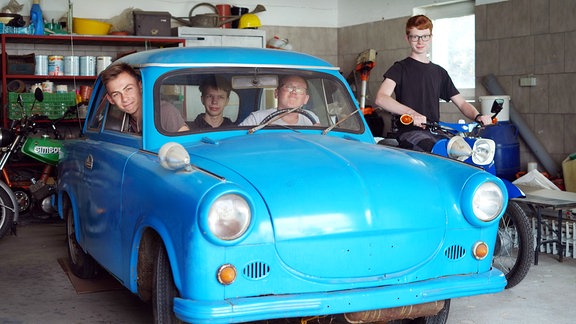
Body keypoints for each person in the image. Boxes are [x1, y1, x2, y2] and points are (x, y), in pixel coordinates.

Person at [375, 14, 492, 152]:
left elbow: (462, 103)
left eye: (424, 36)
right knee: (437, 151)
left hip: (435, 132)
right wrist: (411, 113)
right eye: (415, 37)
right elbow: (381, 98)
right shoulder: (400, 68)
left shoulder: (439, 72)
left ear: (431, 37)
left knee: (465, 152)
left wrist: (478, 116)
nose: (420, 41)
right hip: (409, 133)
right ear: (407, 38)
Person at [101, 62, 189, 134]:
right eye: (116, 94)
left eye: (128, 89)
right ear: (111, 99)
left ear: (140, 86)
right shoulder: (117, 120)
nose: (124, 98)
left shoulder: (165, 112)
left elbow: (185, 148)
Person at [239, 75, 320, 126]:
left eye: (300, 89)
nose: (294, 92)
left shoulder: (311, 118)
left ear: (306, 99)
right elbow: (238, 141)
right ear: (276, 93)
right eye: (289, 87)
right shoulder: (257, 118)